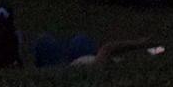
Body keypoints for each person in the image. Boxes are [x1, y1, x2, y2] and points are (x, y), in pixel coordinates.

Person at [33, 31, 163, 69]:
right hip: (89, 58)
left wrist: (139, 43)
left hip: (73, 67)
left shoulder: (101, 67)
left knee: (44, 40)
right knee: (80, 38)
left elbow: (108, 48)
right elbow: (111, 50)